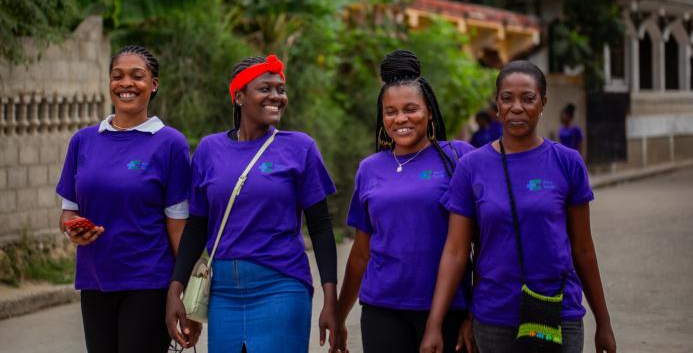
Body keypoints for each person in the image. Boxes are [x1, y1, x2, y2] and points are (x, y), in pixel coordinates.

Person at [420, 60, 616, 353]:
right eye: (507, 98)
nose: (517, 107)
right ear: (497, 104)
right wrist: (435, 324)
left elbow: (583, 248)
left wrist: (604, 322)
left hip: (557, 313)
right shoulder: (471, 167)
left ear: (543, 103)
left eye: (528, 98)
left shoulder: (567, 162)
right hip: (494, 319)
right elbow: (457, 251)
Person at [166, 54, 341, 353]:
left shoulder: (300, 148)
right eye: (265, 89)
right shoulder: (209, 149)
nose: (276, 96)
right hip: (223, 295)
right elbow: (197, 226)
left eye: (281, 90)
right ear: (238, 96)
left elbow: (321, 228)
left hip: (281, 288)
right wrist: (176, 289)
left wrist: (330, 302)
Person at [56, 45, 192, 353]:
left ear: (154, 84)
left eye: (137, 76)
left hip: (149, 282)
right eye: (117, 76)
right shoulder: (83, 142)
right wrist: (73, 230)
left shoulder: (170, 144)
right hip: (94, 281)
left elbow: (177, 226)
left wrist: (180, 289)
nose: (126, 83)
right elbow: (67, 214)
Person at [337, 50, 474, 353]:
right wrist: (338, 315)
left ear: (429, 111)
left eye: (411, 108)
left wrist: (474, 314)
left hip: (449, 308)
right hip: (382, 308)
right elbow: (361, 253)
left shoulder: (459, 157)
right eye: (390, 111)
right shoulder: (369, 168)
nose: (400, 119)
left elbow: (484, 243)